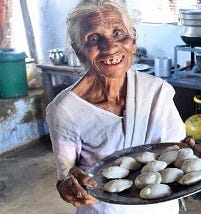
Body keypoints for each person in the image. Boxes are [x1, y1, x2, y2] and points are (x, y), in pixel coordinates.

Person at [46, 0, 188, 213]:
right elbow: (65, 177)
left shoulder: (156, 91)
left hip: (160, 206)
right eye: (94, 39)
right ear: (79, 51)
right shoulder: (65, 110)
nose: (110, 47)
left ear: (133, 40)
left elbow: (177, 150)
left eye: (118, 34)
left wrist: (189, 151)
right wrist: (69, 187)